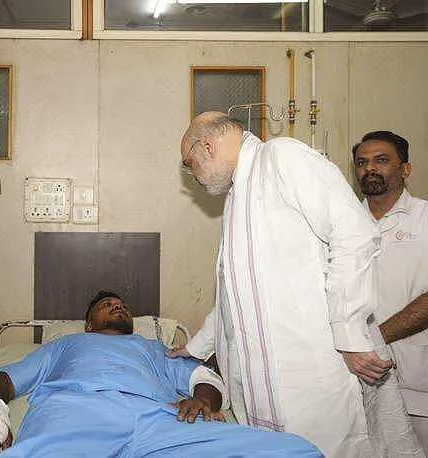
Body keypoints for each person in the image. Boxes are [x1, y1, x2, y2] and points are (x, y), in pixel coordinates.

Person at [170, 112, 393, 457]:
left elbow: (354, 232)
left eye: (190, 164)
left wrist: (349, 333)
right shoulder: (238, 195)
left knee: (320, 449)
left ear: (208, 146)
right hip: (259, 382)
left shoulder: (281, 157)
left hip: (305, 372)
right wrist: (198, 345)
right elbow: (234, 295)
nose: (193, 175)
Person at [0, 291, 321, 458]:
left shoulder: (155, 348)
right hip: (76, 414)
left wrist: (202, 401)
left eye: (122, 305)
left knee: (297, 451)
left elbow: (203, 378)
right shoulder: (65, 345)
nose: (118, 306)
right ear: (89, 324)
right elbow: (3, 382)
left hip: (158, 420)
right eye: (107, 305)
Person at [353, 130, 428, 452]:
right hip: (357, 380)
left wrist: (374, 338)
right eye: (361, 163)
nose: (369, 168)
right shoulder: (343, 224)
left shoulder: (424, 219)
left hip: (417, 382)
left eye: (381, 160)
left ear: (405, 169)